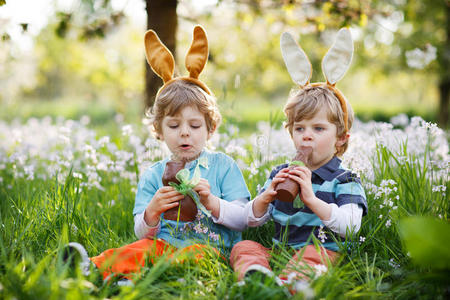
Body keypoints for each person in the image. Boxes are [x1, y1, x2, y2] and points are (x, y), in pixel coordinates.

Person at [65, 25, 250, 282]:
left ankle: (136, 278)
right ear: (158, 130)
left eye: (194, 125)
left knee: (194, 254)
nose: (184, 133)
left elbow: (243, 219)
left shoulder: (223, 167)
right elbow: (143, 233)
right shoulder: (154, 174)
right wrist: (152, 212)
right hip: (163, 246)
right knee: (139, 250)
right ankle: (92, 269)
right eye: (174, 126)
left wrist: (212, 203)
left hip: (211, 251)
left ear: (211, 128)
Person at [224, 28, 367, 293]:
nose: (306, 137)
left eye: (318, 129)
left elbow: (350, 226)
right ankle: (257, 275)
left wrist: (312, 199)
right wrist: (265, 198)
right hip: (281, 252)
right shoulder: (281, 172)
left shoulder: (345, 179)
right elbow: (252, 221)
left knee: (314, 254)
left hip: (323, 253)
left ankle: (290, 283)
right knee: (244, 247)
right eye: (299, 129)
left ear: (341, 139)